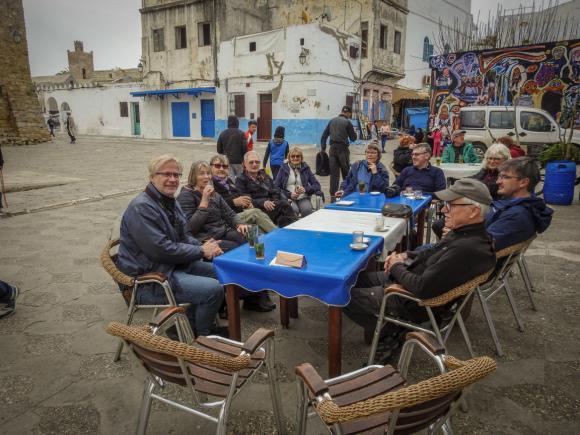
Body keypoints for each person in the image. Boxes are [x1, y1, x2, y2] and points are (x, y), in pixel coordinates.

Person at [345, 178, 496, 352]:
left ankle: (393, 330)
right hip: (409, 280)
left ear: (473, 211)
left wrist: (395, 266)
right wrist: (406, 255)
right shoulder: (468, 234)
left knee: (342, 295)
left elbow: (422, 287)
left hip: (410, 301)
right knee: (354, 279)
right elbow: (433, 250)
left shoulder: (465, 248)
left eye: (451, 205)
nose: (443, 209)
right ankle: (385, 331)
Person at [117, 154, 225, 337]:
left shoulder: (169, 201)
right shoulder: (142, 207)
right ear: (152, 177)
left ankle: (184, 327)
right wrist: (200, 250)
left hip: (170, 266)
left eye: (176, 175)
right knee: (213, 289)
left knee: (223, 272)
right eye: (166, 174)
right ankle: (202, 336)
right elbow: (161, 250)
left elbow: (185, 234)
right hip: (149, 279)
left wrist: (203, 246)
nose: (172, 179)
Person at [177, 161, 249, 252]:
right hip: (204, 238)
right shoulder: (186, 196)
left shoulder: (214, 194)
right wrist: (203, 203)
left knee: (247, 236)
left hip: (221, 231)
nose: (206, 177)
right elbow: (189, 229)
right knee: (236, 248)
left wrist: (239, 224)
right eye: (201, 174)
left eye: (208, 173)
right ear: (193, 176)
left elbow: (229, 214)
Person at [486, 157, 553, 250]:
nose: (498, 182)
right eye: (499, 176)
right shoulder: (522, 205)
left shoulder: (516, 215)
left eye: (505, 177)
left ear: (523, 182)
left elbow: (482, 246)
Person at [209, 154, 277, 233]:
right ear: (211, 167)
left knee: (260, 230)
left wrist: (245, 203)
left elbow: (238, 197)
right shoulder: (210, 183)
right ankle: (279, 236)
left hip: (238, 215)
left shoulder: (228, 182)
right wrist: (233, 202)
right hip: (224, 219)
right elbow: (212, 204)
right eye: (217, 166)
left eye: (225, 166)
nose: (221, 169)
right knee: (255, 213)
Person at [236, 151, 298, 227]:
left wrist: (278, 200)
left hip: (272, 205)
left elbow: (275, 189)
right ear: (245, 164)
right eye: (251, 162)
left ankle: (287, 234)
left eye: (257, 162)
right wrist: (263, 202)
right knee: (285, 205)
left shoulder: (264, 174)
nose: (254, 164)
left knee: (283, 218)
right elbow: (245, 200)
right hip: (257, 209)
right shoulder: (240, 179)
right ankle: (297, 228)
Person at [320, 105, 357, 201]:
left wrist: (323, 149)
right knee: (346, 173)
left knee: (334, 175)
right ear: (348, 113)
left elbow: (324, 136)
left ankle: (333, 197)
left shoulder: (332, 120)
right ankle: (346, 194)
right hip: (343, 150)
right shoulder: (347, 122)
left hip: (332, 150)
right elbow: (353, 138)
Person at [274, 146, 322, 217]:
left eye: (298, 156)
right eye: (293, 156)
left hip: (303, 197)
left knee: (307, 210)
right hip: (288, 198)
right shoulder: (283, 169)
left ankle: (305, 227)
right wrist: (289, 194)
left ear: (301, 158)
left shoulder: (305, 168)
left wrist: (305, 189)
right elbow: (275, 187)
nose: (295, 158)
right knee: (293, 210)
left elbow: (317, 185)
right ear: (289, 158)